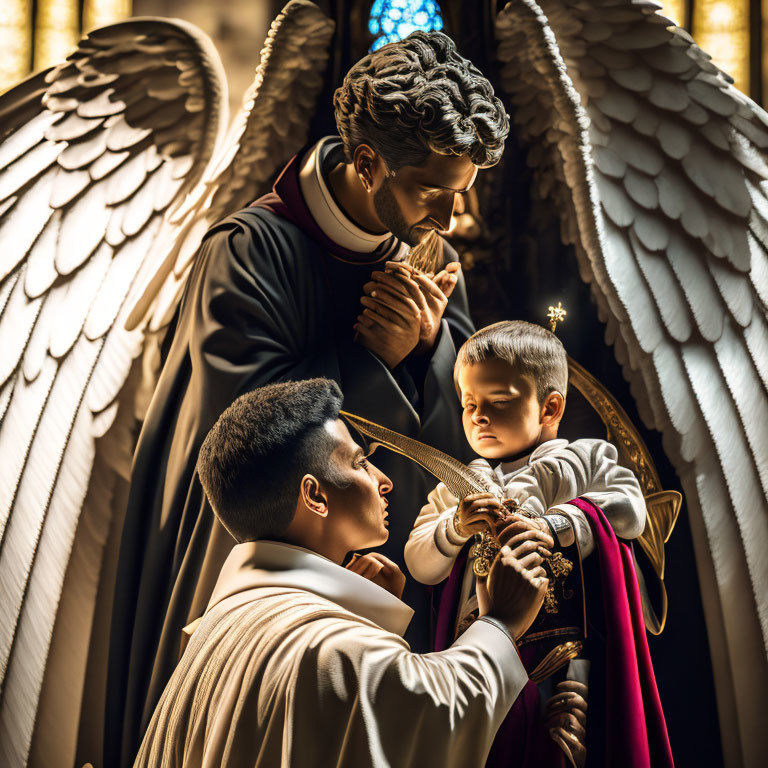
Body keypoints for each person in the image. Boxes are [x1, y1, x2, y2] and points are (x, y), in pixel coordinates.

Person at [106, 30, 510, 766]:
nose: (452, 221)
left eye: (463, 194)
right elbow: (247, 443)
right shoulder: (248, 251)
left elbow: (465, 429)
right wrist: (373, 359)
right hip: (265, 589)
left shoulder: (432, 255)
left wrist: (426, 354)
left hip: (391, 566)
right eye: (434, 193)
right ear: (365, 162)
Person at [134, 378, 551, 768]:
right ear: (315, 495)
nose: (384, 481)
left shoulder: (220, 628)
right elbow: (432, 715)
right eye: (361, 463)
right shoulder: (329, 648)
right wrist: (500, 622)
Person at [404, 320, 673, 767]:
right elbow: (419, 563)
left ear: (550, 408)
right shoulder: (458, 486)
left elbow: (630, 510)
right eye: (469, 403)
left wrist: (558, 524)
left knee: (566, 746)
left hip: (568, 651)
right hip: (482, 652)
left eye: (499, 401)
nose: (478, 416)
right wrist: (455, 526)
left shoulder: (587, 459)